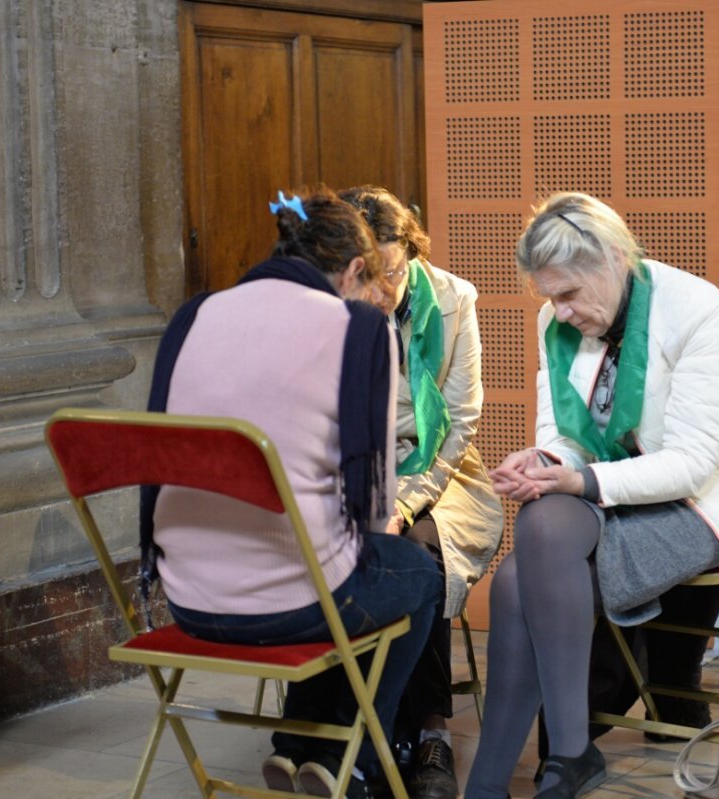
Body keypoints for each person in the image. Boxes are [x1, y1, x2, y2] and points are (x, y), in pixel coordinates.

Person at [463, 192, 719, 799]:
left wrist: (577, 480)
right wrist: (544, 463)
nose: (559, 313)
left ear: (614, 258)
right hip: (618, 490)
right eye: (550, 297)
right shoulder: (555, 323)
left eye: (569, 294)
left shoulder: (695, 310)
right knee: (539, 525)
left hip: (706, 502)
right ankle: (561, 756)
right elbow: (562, 435)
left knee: (519, 573)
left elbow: (692, 466)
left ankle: (514, 774)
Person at [143, 187, 444, 799]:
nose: (378, 300)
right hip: (295, 604)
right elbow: (372, 507)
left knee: (337, 562)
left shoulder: (192, 316)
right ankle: (351, 758)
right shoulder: (361, 331)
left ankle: (303, 746)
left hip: (189, 601)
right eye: (372, 285)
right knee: (414, 573)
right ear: (356, 269)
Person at [341, 186, 505, 799]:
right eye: (368, 276)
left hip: (444, 469)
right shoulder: (334, 306)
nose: (383, 289)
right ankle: (379, 728)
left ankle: (431, 729)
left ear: (410, 251)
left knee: (420, 549)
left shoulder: (456, 300)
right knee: (367, 551)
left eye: (392, 271)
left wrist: (405, 501)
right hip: (359, 468)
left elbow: (459, 423)